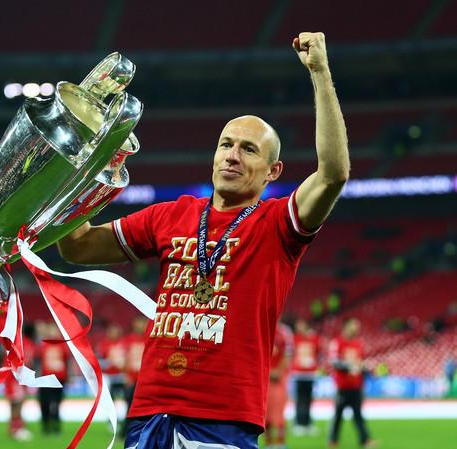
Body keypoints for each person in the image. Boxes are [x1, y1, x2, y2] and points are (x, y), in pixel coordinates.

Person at [57, 31, 349, 449]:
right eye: (225, 144)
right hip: (148, 411)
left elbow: (333, 174)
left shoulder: (278, 224)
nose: (231, 155)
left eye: (248, 150)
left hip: (222, 419)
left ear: (273, 171)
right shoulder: (170, 214)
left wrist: (320, 73)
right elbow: (77, 247)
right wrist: (76, 172)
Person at [328, 318, 376, 448]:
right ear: (346, 326)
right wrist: (350, 366)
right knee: (338, 416)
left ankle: (365, 440)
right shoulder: (337, 342)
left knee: (358, 415)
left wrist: (365, 367)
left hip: (356, 386)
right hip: (342, 386)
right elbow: (334, 362)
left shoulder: (358, 343)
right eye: (354, 325)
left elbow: (361, 362)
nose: (356, 328)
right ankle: (333, 441)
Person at [37, 322, 71, 435]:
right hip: (45, 379)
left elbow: (68, 361)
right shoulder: (43, 344)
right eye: (51, 330)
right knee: (44, 403)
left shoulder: (63, 345)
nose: (53, 333)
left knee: (57, 403)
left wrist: (69, 376)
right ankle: (45, 425)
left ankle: (56, 426)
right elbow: (37, 360)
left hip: (59, 379)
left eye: (54, 330)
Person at [5, 322, 36, 441]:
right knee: (17, 404)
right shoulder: (26, 344)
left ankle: (15, 428)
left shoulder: (16, 343)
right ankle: (16, 429)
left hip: (13, 377)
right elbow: (28, 362)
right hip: (16, 378)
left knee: (15, 404)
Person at [265, 322, 294, 449]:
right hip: (265, 378)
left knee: (279, 413)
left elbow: (288, 354)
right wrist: (268, 371)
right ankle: (269, 444)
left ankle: (281, 443)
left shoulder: (285, 332)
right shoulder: (263, 328)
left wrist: (279, 371)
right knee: (266, 414)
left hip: (280, 379)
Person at [291, 318, 322, 435]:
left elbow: (319, 351)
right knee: (299, 400)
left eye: (301, 325)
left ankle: (308, 423)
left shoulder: (314, 338)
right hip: (298, 374)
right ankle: (298, 423)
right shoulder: (295, 338)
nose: (299, 328)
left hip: (310, 374)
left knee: (308, 400)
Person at [121, 316, 148, 437]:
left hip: (145, 381)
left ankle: (141, 432)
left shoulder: (149, 338)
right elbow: (125, 360)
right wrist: (126, 376)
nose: (141, 326)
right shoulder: (128, 340)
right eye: (139, 323)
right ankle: (125, 432)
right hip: (132, 380)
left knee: (144, 409)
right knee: (130, 408)